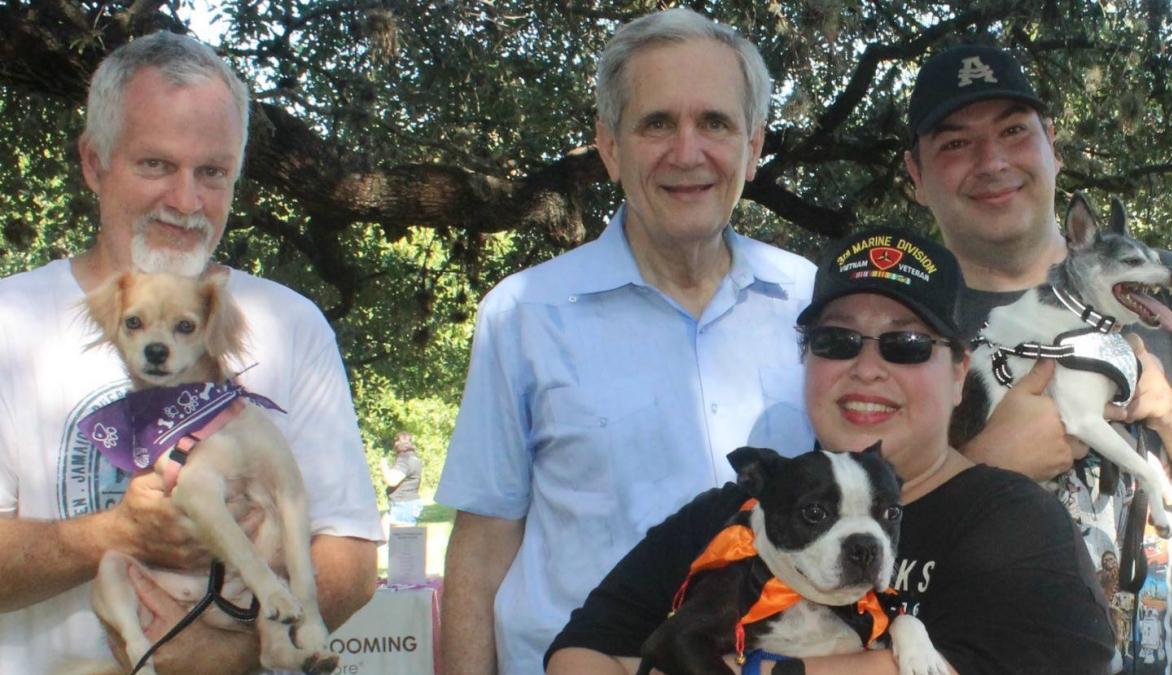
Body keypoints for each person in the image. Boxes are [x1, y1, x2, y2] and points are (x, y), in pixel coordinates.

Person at [546, 226, 1116, 674]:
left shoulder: (1015, 526)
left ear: (959, 371)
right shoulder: (728, 516)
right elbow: (581, 650)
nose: (868, 369)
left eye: (907, 345)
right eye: (835, 341)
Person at [435, 8, 817, 674]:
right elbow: (482, 550)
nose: (688, 151)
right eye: (657, 123)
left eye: (716, 123)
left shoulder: (814, 306)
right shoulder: (525, 316)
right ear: (610, 147)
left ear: (754, 148)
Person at [0, 32, 383, 674]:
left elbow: (349, 556)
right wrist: (113, 534)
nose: (186, 201)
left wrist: (219, 658)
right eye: (156, 165)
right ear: (94, 163)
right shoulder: (10, 321)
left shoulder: (291, 323)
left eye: (212, 173)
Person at [903, 44, 1172, 674]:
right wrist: (981, 469)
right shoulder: (898, 328)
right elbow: (860, 542)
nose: (993, 162)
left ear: (1052, 146)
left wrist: (1170, 410)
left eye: (1014, 130)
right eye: (956, 143)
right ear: (914, 174)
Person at [382, 431, 424, 526]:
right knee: (384, 531)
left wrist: (383, 464)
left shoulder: (404, 459)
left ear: (396, 443)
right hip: (407, 503)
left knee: (402, 539)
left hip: (403, 505)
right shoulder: (414, 458)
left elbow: (391, 481)